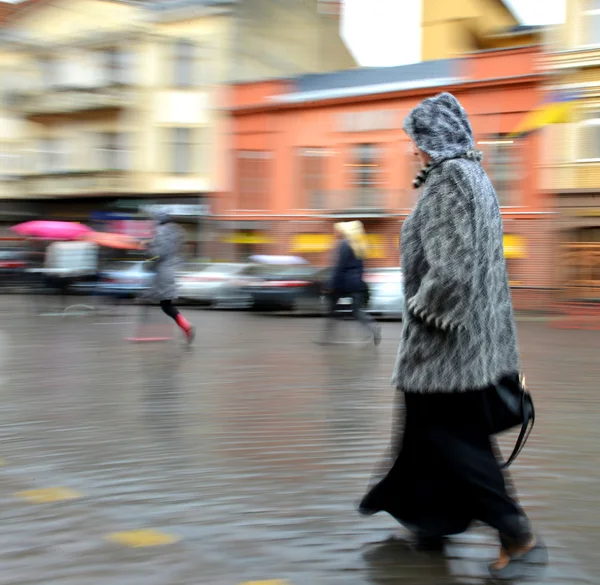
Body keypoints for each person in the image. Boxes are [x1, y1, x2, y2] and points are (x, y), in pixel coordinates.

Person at [358, 93, 546, 579]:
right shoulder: (474, 178)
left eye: (415, 141)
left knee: (457, 443)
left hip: (446, 349)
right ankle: (431, 525)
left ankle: (518, 537)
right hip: (468, 345)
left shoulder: (450, 181)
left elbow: (454, 271)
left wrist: (422, 311)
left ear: (432, 140)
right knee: (425, 439)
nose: (413, 151)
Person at [320, 220, 381, 346]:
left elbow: (339, 267)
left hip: (343, 284)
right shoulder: (359, 245)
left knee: (332, 309)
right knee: (357, 311)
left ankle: (326, 337)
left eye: (339, 230)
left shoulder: (344, 244)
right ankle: (373, 327)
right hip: (357, 283)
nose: (337, 232)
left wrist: (331, 285)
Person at [145, 212, 195, 344]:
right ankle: (185, 326)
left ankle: (185, 326)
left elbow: (158, 253)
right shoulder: (175, 233)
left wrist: (147, 249)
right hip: (171, 270)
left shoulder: (161, 232)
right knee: (165, 304)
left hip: (163, 272)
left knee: (164, 304)